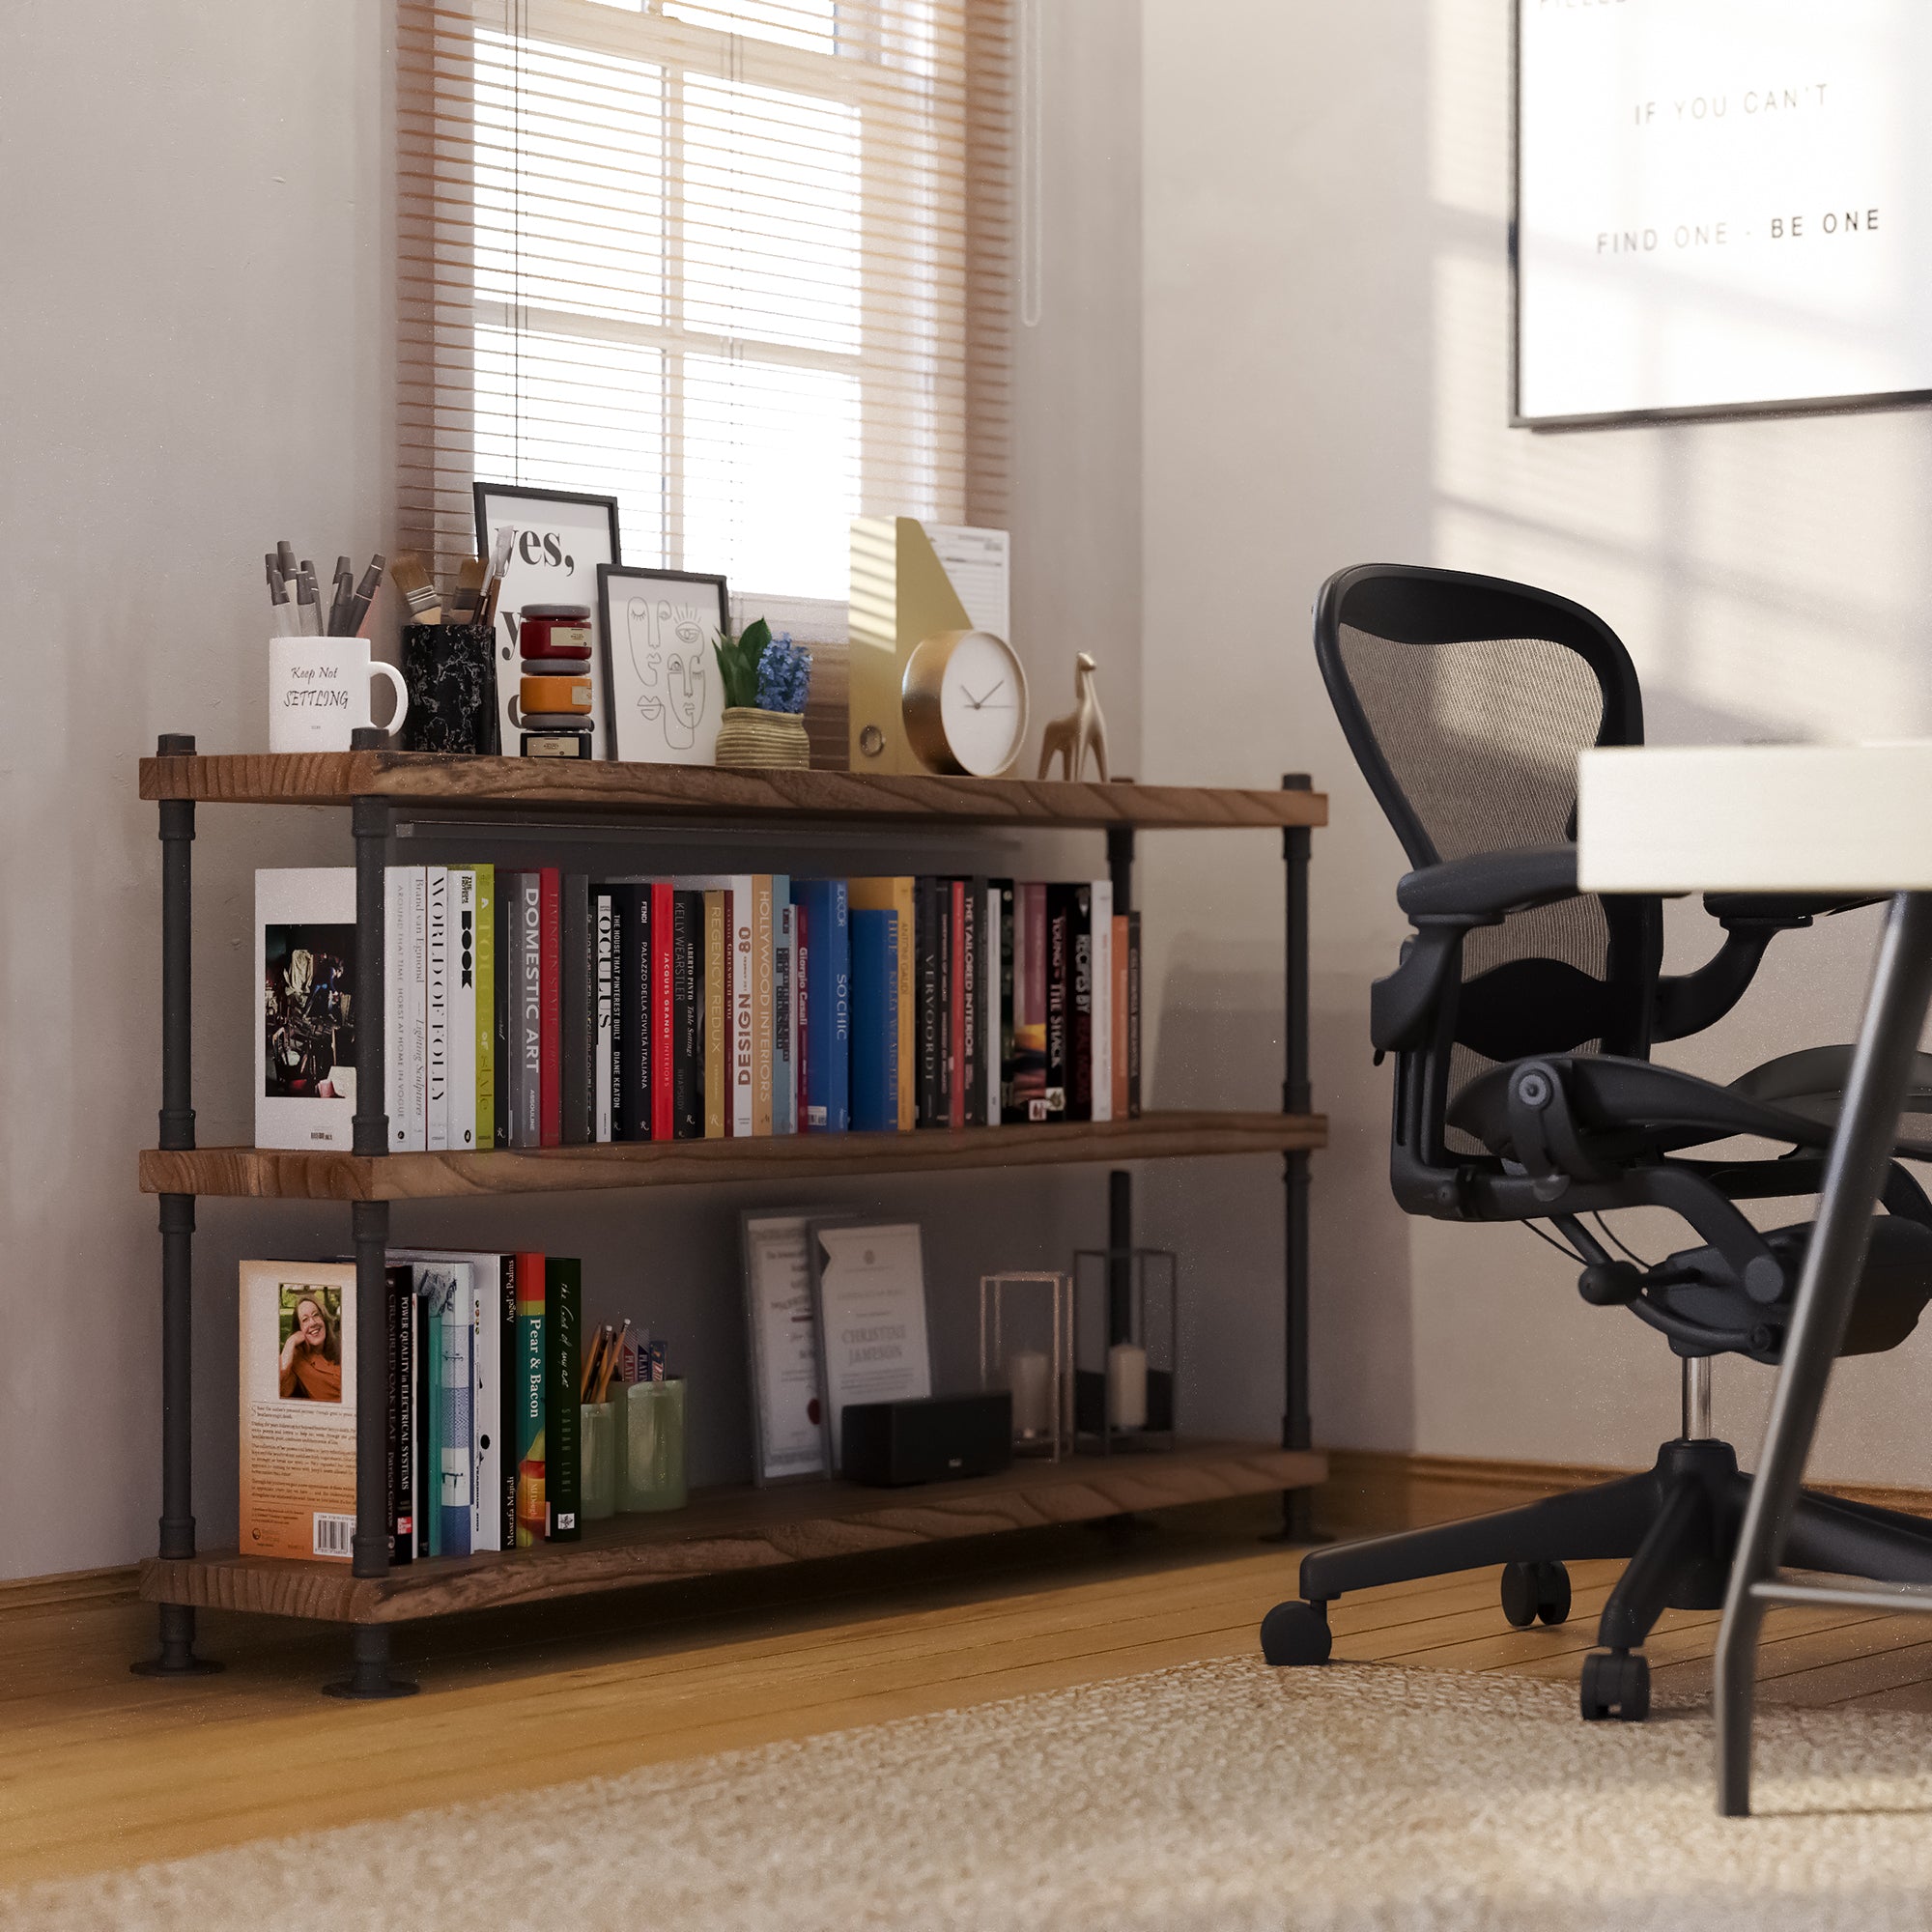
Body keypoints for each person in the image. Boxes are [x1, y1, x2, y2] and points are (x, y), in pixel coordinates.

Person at [279, 1293, 342, 1402]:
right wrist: (290, 1342)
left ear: (324, 1319)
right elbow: (279, 1388)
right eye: (305, 1319)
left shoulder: (341, 1344)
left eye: (316, 1315)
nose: (312, 1323)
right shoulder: (298, 1359)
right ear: (299, 1329)